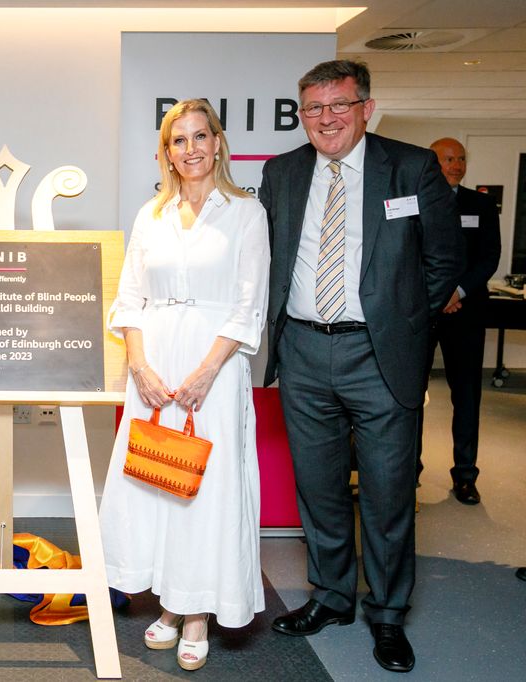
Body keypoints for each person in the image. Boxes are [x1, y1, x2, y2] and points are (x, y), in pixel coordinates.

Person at [259, 60, 463, 673]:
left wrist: (401, 326)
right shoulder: (282, 171)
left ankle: (388, 614)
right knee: (318, 488)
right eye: (314, 109)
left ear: (366, 107)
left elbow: (443, 260)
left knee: (387, 491)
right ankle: (331, 597)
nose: (326, 119)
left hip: (380, 355)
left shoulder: (411, 166)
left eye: (339, 105)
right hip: (302, 350)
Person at [99, 99, 270, 672]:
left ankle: (196, 613)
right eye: (179, 140)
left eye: (201, 136)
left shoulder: (246, 213)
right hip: (154, 367)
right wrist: (140, 368)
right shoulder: (150, 214)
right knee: (159, 479)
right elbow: (129, 298)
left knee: (206, 489)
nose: (191, 148)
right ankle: (168, 604)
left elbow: (250, 305)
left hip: (213, 371)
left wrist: (205, 372)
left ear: (218, 143)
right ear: (166, 151)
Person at [416, 138, 500, 505]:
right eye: (448, 158)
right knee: (410, 397)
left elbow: (489, 257)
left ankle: (465, 476)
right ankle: (408, 472)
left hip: (466, 313)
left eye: (461, 158)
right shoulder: (413, 202)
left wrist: (458, 291)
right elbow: (405, 256)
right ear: (431, 162)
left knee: (466, 397)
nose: (456, 164)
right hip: (423, 313)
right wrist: (437, 294)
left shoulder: (481, 204)